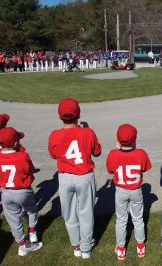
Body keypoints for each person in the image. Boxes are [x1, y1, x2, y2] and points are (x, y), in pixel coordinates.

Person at [48, 98, 102, 259]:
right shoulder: (88, 132)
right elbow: (97, 152)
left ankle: (76, 245)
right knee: (85, 212)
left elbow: (53, 154)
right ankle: (86, 247)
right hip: (84, 176)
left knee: (70, 213)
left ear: (60, 116)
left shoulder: (55, 135)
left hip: (65, 177)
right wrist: (86, 131)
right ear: (78, 114)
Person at [0, 127, 43, 256]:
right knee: (31, 210)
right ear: (15, 143)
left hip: (6, 192)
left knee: (14, 219)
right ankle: (32, 232)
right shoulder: (22, 155)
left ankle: (22, 245)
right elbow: (30, 169)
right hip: (23, 191)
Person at [106, 124, 152, 260]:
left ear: (118, 140)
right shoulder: (141, 153)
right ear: (134, 139)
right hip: (136, 190)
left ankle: (121, 249)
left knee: (121, 219)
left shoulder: (113, 154)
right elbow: (145, 167)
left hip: (121, 190)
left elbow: (110, 170)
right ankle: (140, 246)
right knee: (138, 219)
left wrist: (117, 150)